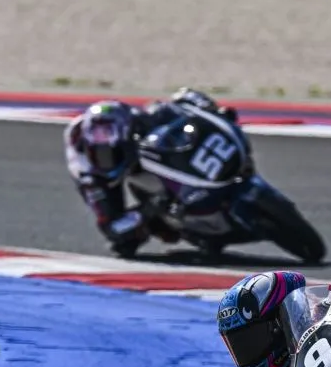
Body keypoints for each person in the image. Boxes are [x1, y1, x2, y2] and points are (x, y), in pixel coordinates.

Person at [62, 87, 241, 256]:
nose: (106, 160)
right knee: (122, 239)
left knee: (185, 100)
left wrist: (206, 112)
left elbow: (174, 110)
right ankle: (171, 223)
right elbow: (112, 227)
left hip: (136, 138)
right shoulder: (86, 170)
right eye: (99, 154)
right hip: (97, 177)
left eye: (111, 154)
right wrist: (150, 209)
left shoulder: (140, 120)